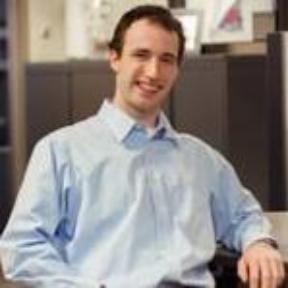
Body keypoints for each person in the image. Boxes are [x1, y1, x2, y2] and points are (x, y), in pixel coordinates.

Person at [0, 4, 285, 288]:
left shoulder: (201, 159)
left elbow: (243, 215)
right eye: (141, 55)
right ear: (114, 58)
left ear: (177, 69)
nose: (153, 71)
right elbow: (22, 248)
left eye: (167, 59)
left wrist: (258, 243)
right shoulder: (59, 151)